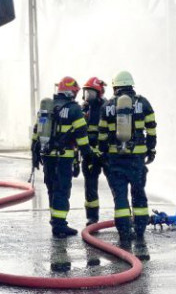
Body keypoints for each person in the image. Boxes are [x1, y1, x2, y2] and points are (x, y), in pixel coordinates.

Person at [97, 70, 157, 243]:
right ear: (131, 85)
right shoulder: (143, 103)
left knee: (120, 196)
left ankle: (124, 231)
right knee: (139, 193)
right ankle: (140, 230)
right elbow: (151, 129)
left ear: (115, 87)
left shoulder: (107, 106)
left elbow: (101, 135)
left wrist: (103, 154)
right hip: (137, 160)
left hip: (115, 160)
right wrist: (151, 150)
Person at [32, 76, 94, 238]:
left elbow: (37, 131)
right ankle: (59, 225)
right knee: (62, 189)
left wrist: (34, 152)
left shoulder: (47, 107)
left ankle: (55, 220)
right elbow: (81, 136)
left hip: (47, 155)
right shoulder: (74, 109)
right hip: (63, 156)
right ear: (70, 92)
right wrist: (87, 155)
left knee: (52, 187)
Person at [81, 77, 107, 225]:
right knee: (90, 186)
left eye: (90, 92)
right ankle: (92, 217)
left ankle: (122, 215)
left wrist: (100, 151)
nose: (87, 96)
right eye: (86, 92)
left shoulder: (106, 107)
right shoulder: (83, 108)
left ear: (98, 93)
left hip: (105, 153)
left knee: (115, 185)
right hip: (89, 154)